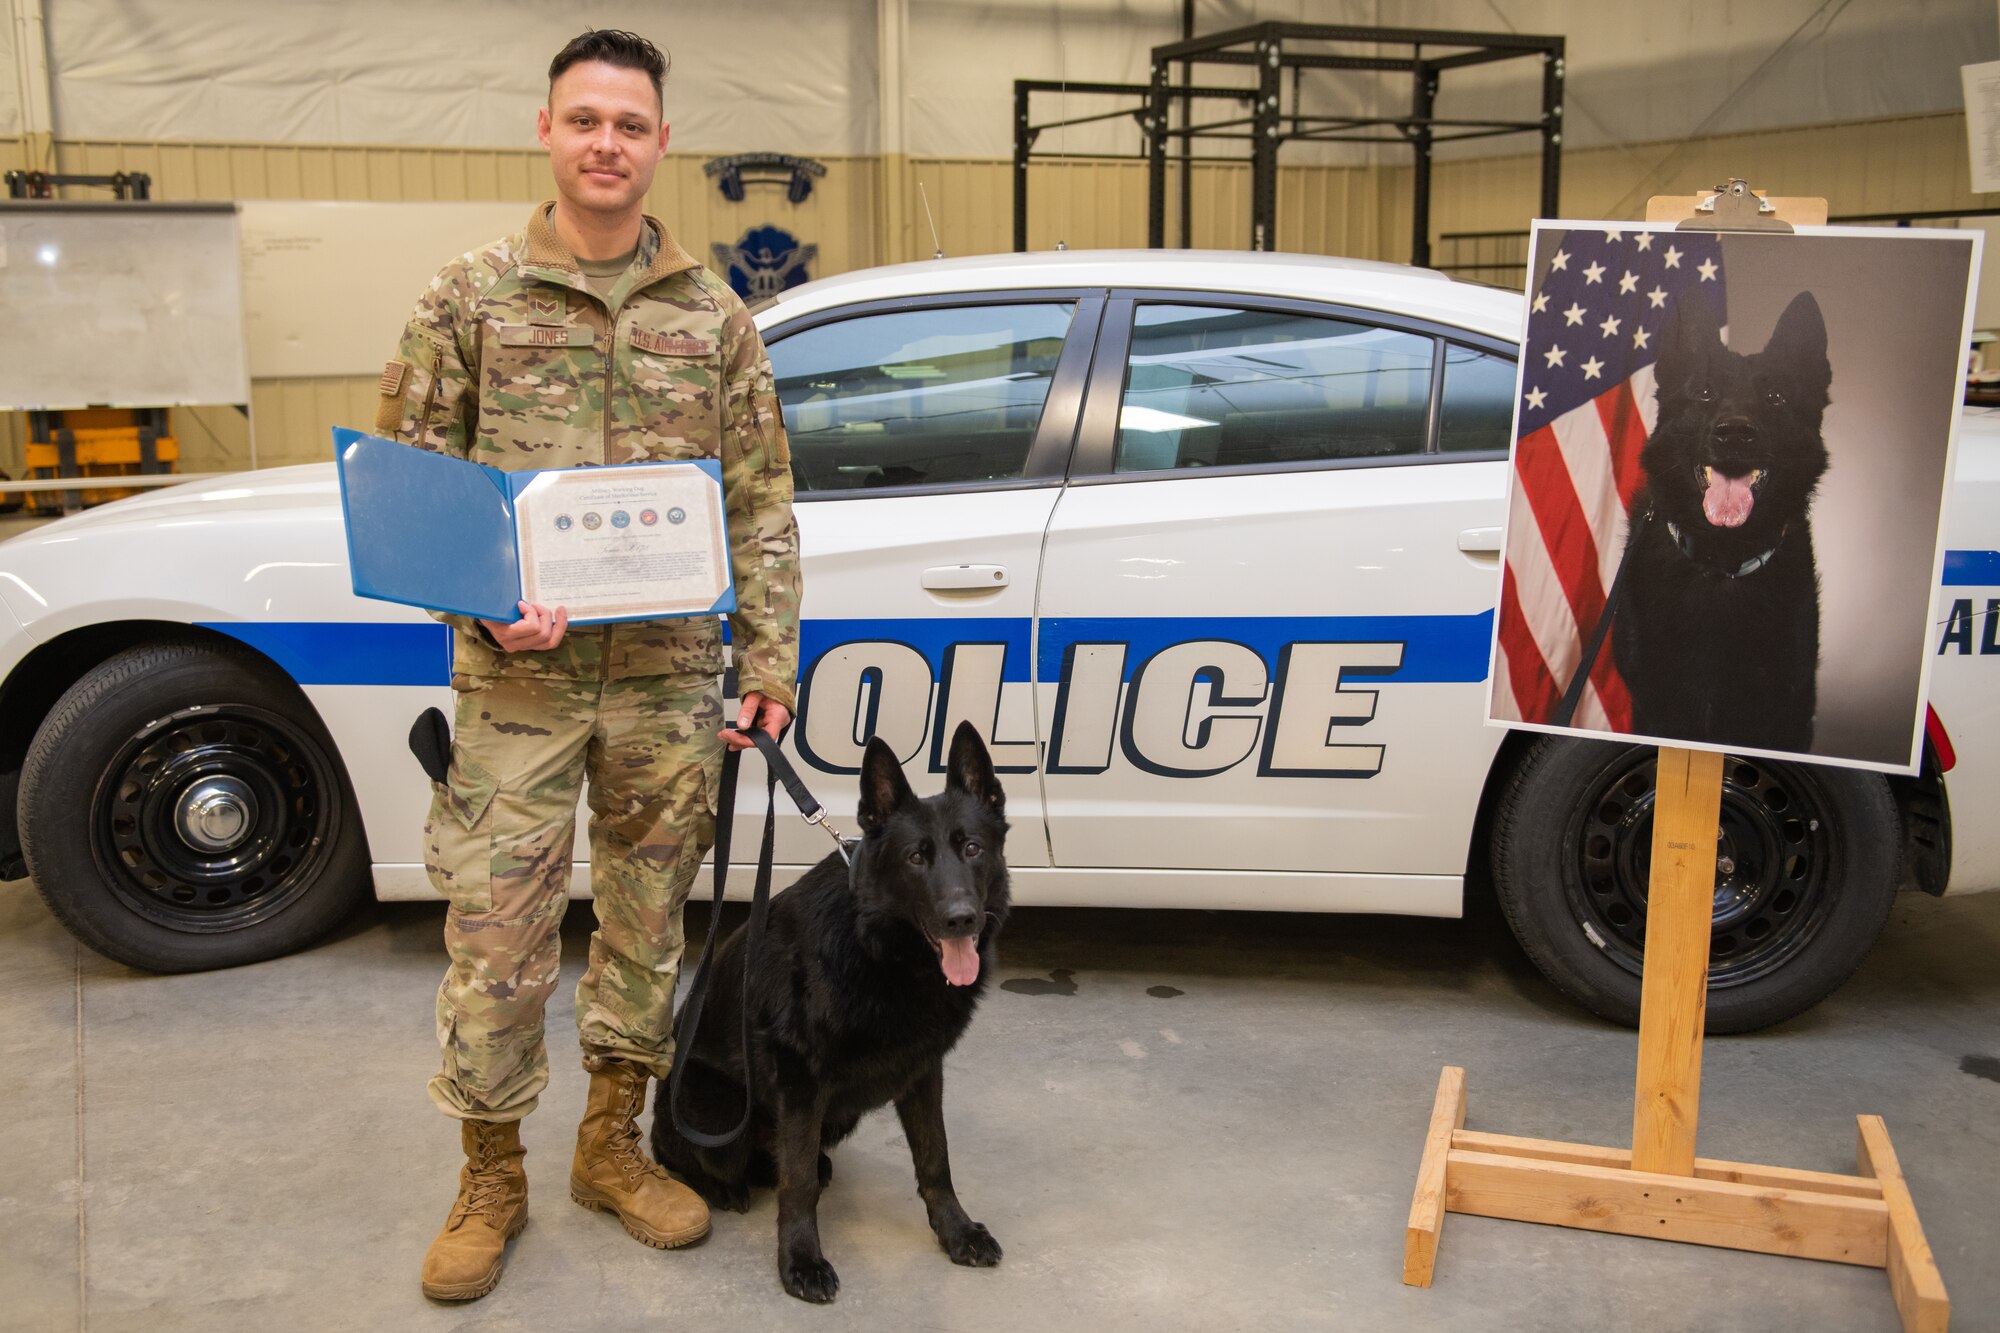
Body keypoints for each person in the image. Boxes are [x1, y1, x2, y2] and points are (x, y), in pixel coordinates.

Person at [372, 28, 800, 1302]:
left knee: (645, 924)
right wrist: (486, 602)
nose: (606, 142)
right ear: (546, 132)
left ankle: (608, 1147)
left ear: (662, 143)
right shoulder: (471, 295)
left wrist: (768, 651)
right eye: (584, 119)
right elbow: (409, 490)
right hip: (519, 682)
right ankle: (490, 1171)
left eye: (630, 122)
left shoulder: (714, 315)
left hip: (668, 679)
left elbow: (761, 499)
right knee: (496, 931)